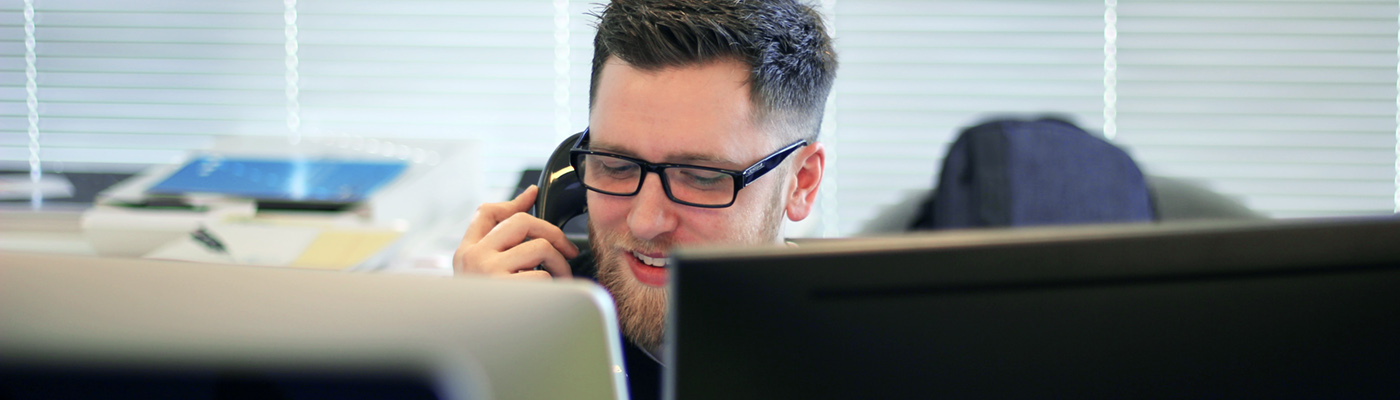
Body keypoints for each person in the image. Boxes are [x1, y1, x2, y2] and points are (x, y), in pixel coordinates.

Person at [454, 0, 836, 398]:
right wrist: (481, 358)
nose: (645, 222)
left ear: (801, 182)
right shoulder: (528, 327)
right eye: (616, 165)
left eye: (701, 177)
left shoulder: (875, 356)